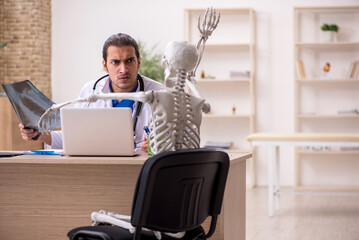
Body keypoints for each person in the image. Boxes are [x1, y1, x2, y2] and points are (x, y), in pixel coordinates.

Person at [19, 33, 167, 153]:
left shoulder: (160, 95)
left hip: (139, 171)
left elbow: (174, 143)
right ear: (105, 65)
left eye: (129, 61)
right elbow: (74, 138)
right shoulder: (91, 91)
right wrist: (39, 134)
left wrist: (159, 146)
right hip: (97, 169)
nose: (123, 69)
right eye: (115, 62)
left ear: (138, 62)